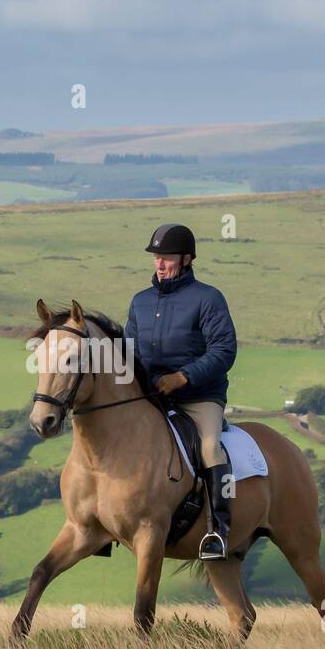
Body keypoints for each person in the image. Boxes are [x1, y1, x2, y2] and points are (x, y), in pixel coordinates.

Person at [125, 223, 238, 560]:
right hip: (154, 397)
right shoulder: (140, 302)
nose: (160, 264)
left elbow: (224, 351)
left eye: (167, 258)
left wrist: (183, 377)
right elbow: (129, 351)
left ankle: (218, 530)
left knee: (208, 447)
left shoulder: (208, 298)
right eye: (157, 258)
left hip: (199, 397)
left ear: (187, 259)